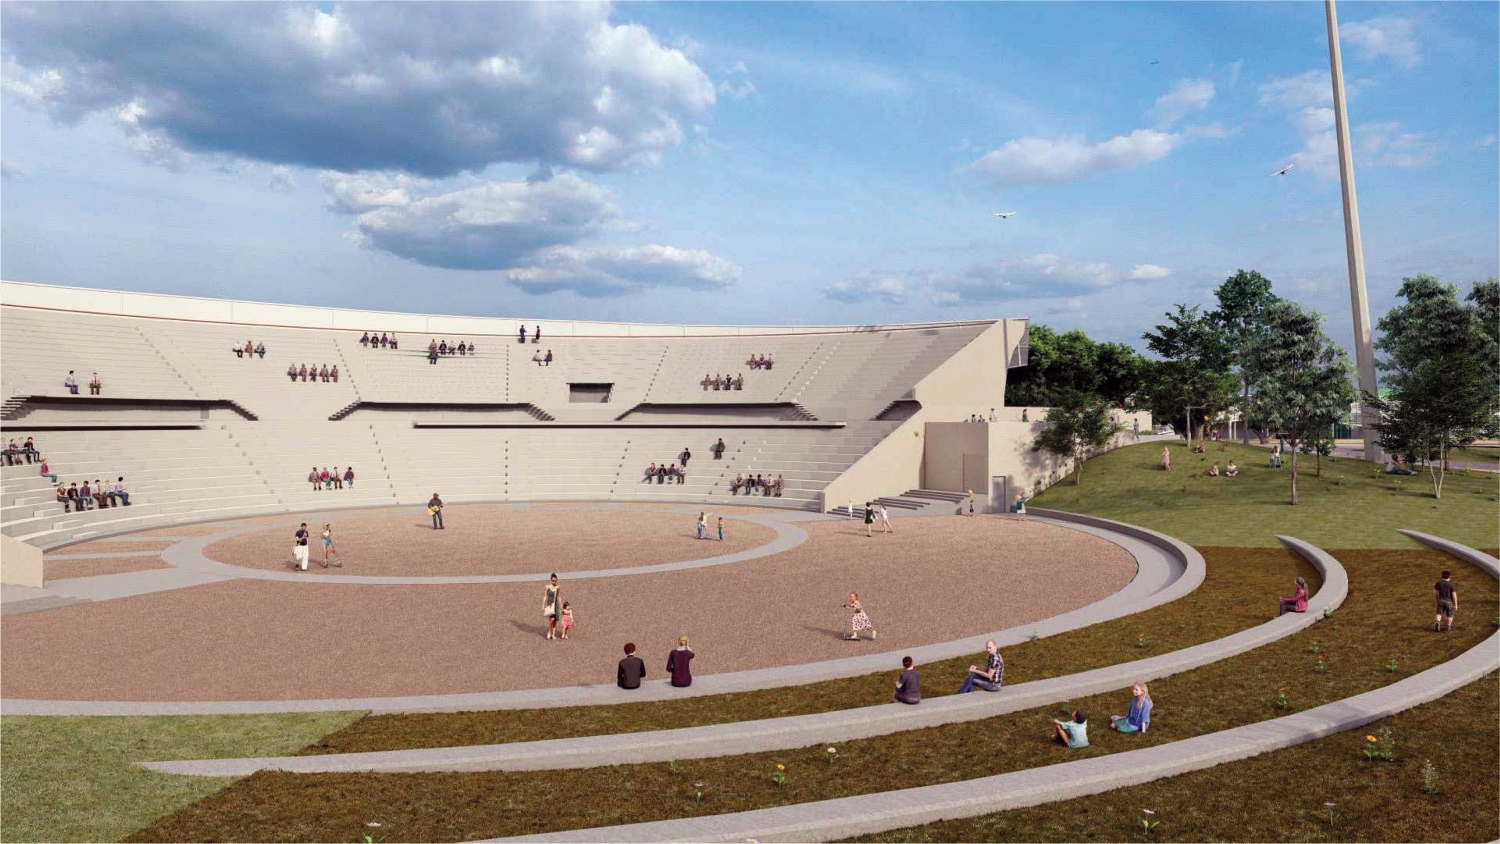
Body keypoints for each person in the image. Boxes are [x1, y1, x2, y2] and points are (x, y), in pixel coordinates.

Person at [543, 573, 561, 639]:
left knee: (555, 620)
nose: (554, 582)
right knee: (551, 619)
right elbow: (545, 596)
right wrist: (543, 604)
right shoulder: (547, 587)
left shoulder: (558, 587)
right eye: (553, 580)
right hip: (550, 605)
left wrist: (561, 605)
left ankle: (553, 634)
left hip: (556, 604)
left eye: (555, 580)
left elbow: (559, 597)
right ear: (551, 580)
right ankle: (549, 632)